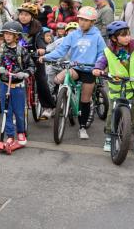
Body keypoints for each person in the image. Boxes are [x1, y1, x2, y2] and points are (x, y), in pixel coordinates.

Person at [92, 21, 134, 156]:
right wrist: (98, 69)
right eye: (123, 35)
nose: (127, 37)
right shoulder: (109, 51)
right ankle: (109, 137)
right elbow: (102, 61)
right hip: (118, 87)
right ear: (113, 38)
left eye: (128, 34)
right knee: (112, 112)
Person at [42, 7, 106, 135]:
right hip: (75, 68)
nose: (82, 22)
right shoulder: (73, 35)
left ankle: (82, 126)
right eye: (81, 19)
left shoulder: (97, 36)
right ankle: (61, 100)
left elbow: (102, 54)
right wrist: (46, 57)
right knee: (57, 79)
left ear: (92, 22)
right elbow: (61, 50)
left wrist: (98, 67)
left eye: (86, 20)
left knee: (85, 99)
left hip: (89, 70)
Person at [0, 21, 35, 149]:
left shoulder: (21, 50)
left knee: (19, 111)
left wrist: (26, 73)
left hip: (18, 86)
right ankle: (10, 135)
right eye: (5, 34)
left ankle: (21, 132)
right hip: (4, 84)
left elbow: (32, 66)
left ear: (16, 36)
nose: (7, 36)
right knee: (6, 111)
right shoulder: (0, 49)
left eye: (10, 34)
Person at [17, 3, 56, 118]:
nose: (23, 17)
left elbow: (40, 40)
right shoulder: (15, 25)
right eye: (21, 14)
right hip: (18, 55)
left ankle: (48, 106)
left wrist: (41, 49)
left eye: (26, 15)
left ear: (32, 16)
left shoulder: (37, 27)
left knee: (41, 80)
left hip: (34, 56)